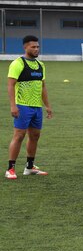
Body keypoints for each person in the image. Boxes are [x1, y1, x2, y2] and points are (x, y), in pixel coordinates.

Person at [6, 35, 52, 179]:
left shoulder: (40, 65)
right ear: (25, 47)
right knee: (19, 135)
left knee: (35, 136)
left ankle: (30, 167)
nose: (36, 49)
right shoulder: (17, 63)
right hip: (23, 106)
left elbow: (42, 86)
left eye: (38, 46)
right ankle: (10, 169)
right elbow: (11, 85)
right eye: (33, 47)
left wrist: (47, 106)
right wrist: (13, 106)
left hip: (36, 107)